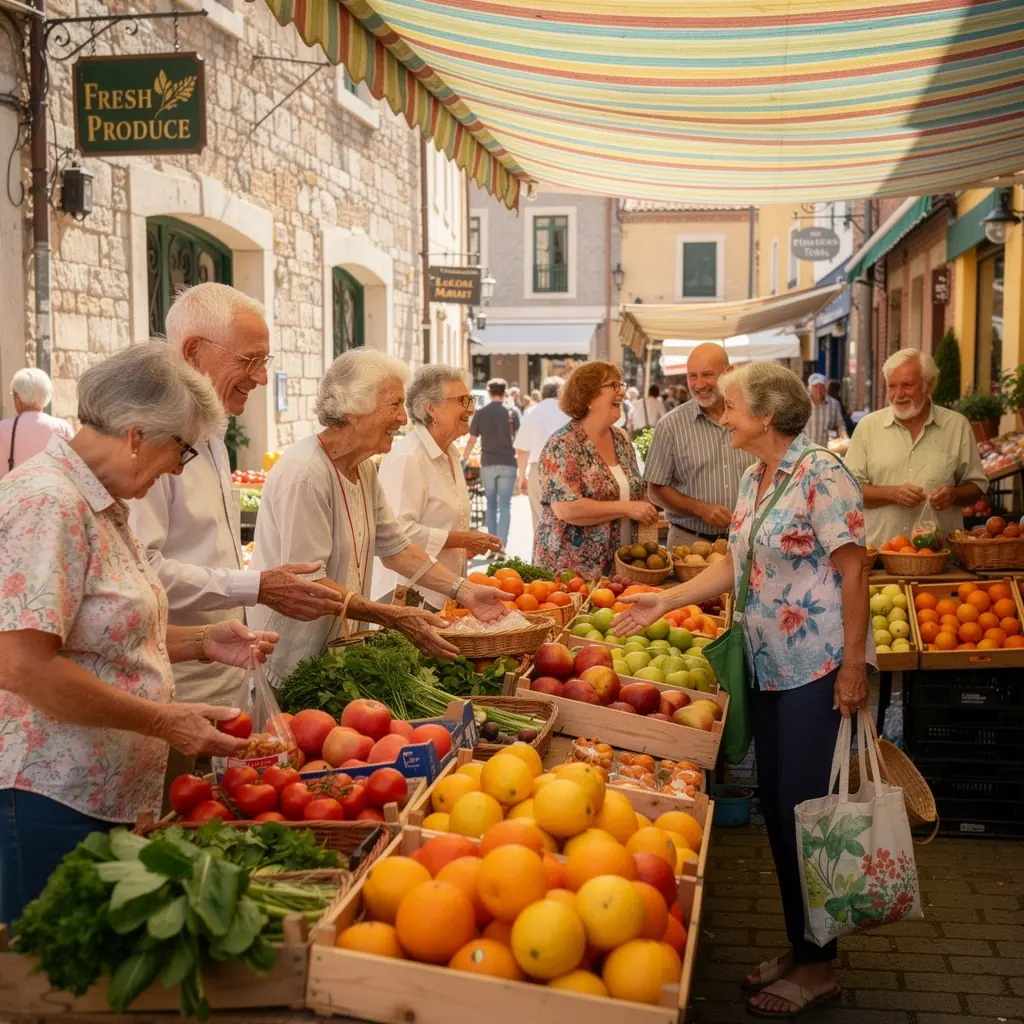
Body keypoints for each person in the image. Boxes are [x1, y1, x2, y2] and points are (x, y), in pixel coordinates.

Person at [612, 361, 871, 1019]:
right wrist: (663, 601)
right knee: (779, 804)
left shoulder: (822, 476)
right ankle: (802, 944)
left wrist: (851, 667)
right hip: (766, 667)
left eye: (730, 408)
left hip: (815, 668)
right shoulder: (758, 474)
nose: (721, 416)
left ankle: (819, 968)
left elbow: (853, 572)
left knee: (806, 815)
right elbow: (736, 561)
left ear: (765, 415)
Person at [0, 343, 280, 924]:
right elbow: (22, 664)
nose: (178, 469)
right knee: (51, 984)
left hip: (103, 788)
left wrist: (204, 642)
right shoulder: (48, 503)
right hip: (49, 792)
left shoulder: (101, 503)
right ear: (136, 435)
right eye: (181, 451)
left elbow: (103, 635)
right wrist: (160, 720)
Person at [130, 284, 345, 714]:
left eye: (264, 361)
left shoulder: (212, 433)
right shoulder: (150, 436)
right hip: (175, 686)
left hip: (221, 671)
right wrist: (257, 586)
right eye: (251, 359)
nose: (262, 377)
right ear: (193, 352)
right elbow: (141, 572)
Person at [250, 350, 508, 684]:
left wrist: (463, 590)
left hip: (332, 653)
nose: (403, 418)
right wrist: (393, 616)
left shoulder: (363, 469)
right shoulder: (307, 473)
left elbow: (398, 548)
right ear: (354, 408)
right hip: (287, 658)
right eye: (394, 404)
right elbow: (310, 584)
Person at [374, 366, 501, 608]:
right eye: (462, 401)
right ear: (431, 408)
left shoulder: (450, 454)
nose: (471, 409)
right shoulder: (408, 457)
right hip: (410, 597)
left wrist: (464, 546)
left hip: (443, 594)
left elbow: (441, 522)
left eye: (471, 400)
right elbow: (398, 534)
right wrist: (463, 540)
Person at [844, 349, 987, 547]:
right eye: (892, 386)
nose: (898, 394)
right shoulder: (867, 427)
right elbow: (849, 490)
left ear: (930, 385)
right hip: (880, 556)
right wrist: (892, 493)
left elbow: (977, 487)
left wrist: (953, 495)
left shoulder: (957, 426)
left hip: (941, 557)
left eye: (907, 385)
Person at [534, 362, 659, 578]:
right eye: (613, 385)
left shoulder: (621, 439)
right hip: (572, 572)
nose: (621, 391)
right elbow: (567, 509)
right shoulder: (563, 443)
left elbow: (634, 492)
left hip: (621, 567)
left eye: (621, 385)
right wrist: (627, 508)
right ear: (588, 395)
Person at [644, 343, 755, 550]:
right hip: (689, 544)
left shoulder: (753, 418)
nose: (698, 384)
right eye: (692, 376)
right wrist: (699, 508)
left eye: (707, 375)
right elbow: (655, 490)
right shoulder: (670, 425)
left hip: (748, 542)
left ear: (729, 372)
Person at [463, 378, 520, 552]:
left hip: (487, 463)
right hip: (508, 463)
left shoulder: (481, 413)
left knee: (491, 504)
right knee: (504, 505)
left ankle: (492, 546)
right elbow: (519, 440)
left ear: (489, 392)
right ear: (505, 392)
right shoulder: (512, 412)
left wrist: (463, 459)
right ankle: (502, 547)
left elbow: (472, 440)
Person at [514, 377, 570, 530]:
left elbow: (521, 450)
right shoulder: (570, 411)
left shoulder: (532, 412)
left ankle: (541, 553)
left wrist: (522, 477)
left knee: (539, 520)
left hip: (538, 469)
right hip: (567, 468)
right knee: (567, 521)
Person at [0, 368, 72, 481]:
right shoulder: (62, 428)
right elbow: (73, 469)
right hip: (50, 495)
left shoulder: (2, 428)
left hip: (12, 496)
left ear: (17, 398)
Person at [805, 372, 848, 448]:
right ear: (810, 388)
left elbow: (840, 425)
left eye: (821, 386)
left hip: (826, 450)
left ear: (825, 388)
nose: (818, 390)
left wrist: (845, 438)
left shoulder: (834, 404)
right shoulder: (802, 403)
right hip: (805, 450)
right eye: (815, 386)